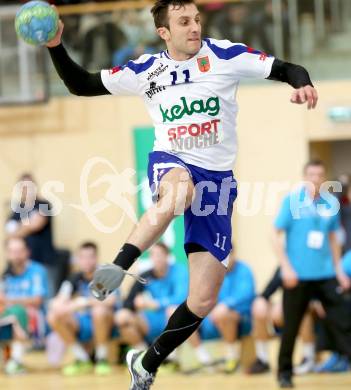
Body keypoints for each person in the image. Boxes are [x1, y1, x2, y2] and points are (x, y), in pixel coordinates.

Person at [46, 0, 318, 388]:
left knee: (204, 299)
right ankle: (121, 264)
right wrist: (56, 46)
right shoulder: (147, 69)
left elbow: (287, 68)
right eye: (184, 22)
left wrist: (302, 83)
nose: (195, 27)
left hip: (218, 181)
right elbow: (82, 84)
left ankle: (147, 361)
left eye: (197, 19)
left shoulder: (225, 54)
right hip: (173, 161)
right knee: (177, 195)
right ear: (164, 32)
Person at [273, 159, 351, 388]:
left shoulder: (330, 203)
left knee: (343, 319)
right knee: (291, 326)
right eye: (311, 174)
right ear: (305, 176)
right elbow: (274, 235)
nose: (315, 178)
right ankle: (284, 373)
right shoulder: (292, 201)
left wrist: (339, 272)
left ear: (324, 177)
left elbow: (334, 239)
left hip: (326, 274)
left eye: (319, 174)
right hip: (298, 276)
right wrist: (286, 268)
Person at [47, 242, 119, 376]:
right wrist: (61, 305)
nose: (87, 261)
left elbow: (111, 300)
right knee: (53, 315)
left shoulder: (106, 275)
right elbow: (58, 301)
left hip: (106, 323)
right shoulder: (73, 278)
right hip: (83, 323)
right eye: (83, 257)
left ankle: (101, 358)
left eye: (90, 257)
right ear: (78, 259)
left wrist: (83, 302)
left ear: (96, 258)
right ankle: (81, 359)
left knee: (99, 311)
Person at [115, 242, 188, 369]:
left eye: (160, 255)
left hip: (172, 319)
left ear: (167, 256)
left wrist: (156, 303)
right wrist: (137, 303)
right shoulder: (146, 276)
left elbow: (181, 297)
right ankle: (145, 357)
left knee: (174, 311)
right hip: (151, 321)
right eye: (154, 255)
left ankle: (171, 359)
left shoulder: (180, 271)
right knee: (121, 316)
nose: (157, 258)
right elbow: (128, 302)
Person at [188, 252, 255, 374]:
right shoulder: (214, 272)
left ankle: (232, 357)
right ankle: (206, 361)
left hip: (242, 318)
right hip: (215, 318)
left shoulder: (244, 270)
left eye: (229, 255)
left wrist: (226, 304)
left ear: (234, 254)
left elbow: (246, 293)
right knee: (186, 318)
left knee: (223, 314)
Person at [248, 267, 316, 376]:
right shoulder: (284, 267)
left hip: (311, 313)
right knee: (258, 307)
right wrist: (261, 300)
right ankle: (263, 359)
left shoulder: (312, 267)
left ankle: (309, 359)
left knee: (303, 309)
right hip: (287, 316)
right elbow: (267, 292)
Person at [0, 237, 49, 374]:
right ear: (7, 253)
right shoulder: (6, 275)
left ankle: (16, 360)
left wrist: (9, 301)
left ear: (27, 252)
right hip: (10, 315)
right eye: (12, 251)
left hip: (36, 318)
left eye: (19, 251)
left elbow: (37, 300)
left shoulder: (37, 271)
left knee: (18, 311)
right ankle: (9, 357)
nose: (16, 255)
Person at [5, 173, 57, 295]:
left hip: (45, 261)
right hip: (24, 264)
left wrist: (19, 228)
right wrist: (28, 224)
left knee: (47, 295)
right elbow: (10, 234)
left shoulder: (44, 205)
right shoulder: (17, 210)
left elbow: (37, 224)